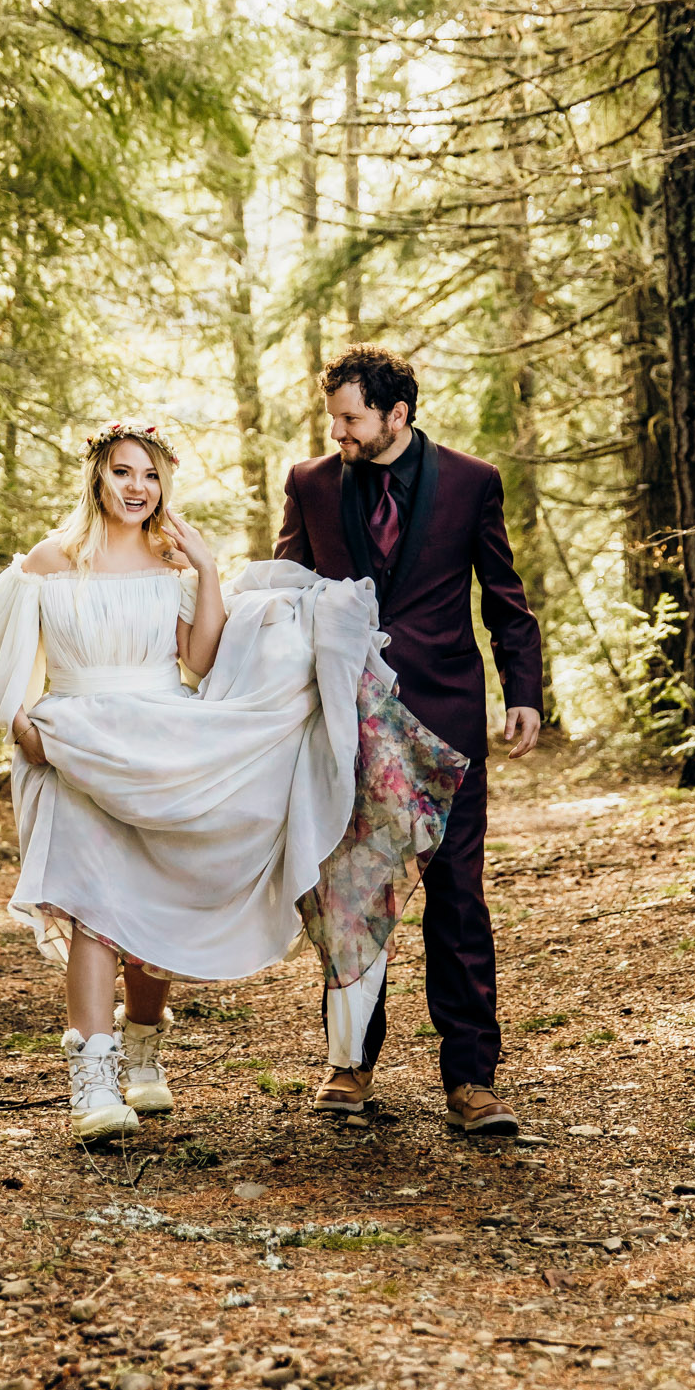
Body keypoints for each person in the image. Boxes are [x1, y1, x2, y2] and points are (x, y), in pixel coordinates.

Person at [0, 422, 379, 1142]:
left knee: (145, 904)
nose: (137, 488)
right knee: (92, 905)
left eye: (150, 476)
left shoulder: (168, 563)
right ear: (97, 476)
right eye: (124, 472)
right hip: (75, 745)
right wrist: (24, 728)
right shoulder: (47, 561)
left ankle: (143, 1047)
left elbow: (200, 658)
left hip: (161, 742)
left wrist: (208, 571)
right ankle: (92, 1084)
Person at [275, 345, 544, 1133]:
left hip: (446, 720)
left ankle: (472, 1084)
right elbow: (286, 596)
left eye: (351, 417)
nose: (337, 432)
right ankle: (348, 1067)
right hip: (347, 724)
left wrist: (522, 692)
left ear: (397, 414)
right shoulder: (310, 484)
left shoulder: (471, 482)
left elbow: (503, 594)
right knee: (352, 894)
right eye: (332, 418)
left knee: (457, 900)